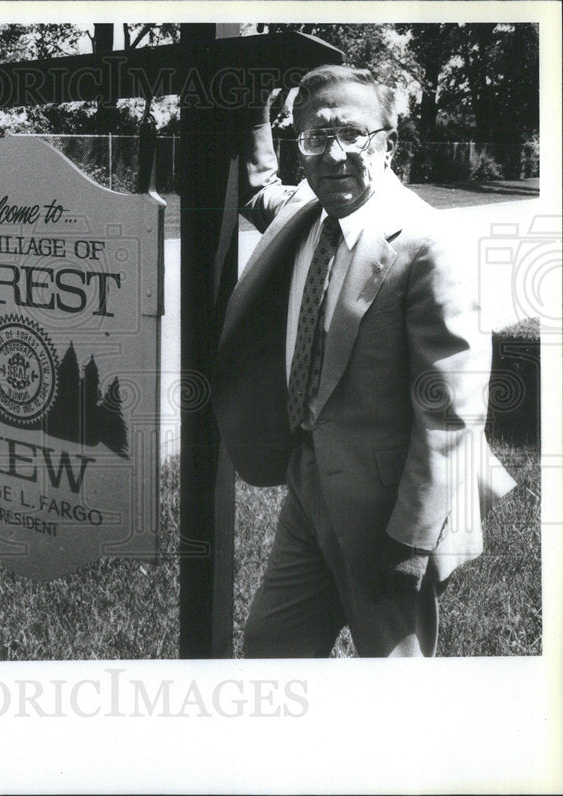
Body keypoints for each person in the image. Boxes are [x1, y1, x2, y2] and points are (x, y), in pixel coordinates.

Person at [213, 65, 515, 657]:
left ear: (388, 144)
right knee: (271, 655)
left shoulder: (426, 243)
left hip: (388, 512)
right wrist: (253, 100)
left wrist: (411, 540)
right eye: (315, 137)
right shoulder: (304, 213)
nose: (335, 153)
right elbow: (257, 187)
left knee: (394, 688)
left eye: (354, 134)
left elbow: (451, 412)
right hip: (308, 488)